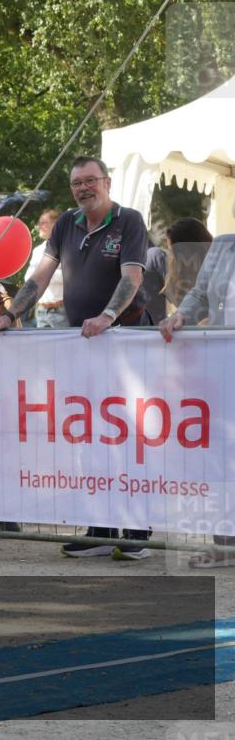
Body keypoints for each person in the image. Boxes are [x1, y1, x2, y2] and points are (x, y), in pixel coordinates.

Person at [0, 155, 151, 560]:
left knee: (129, 435)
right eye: (77, 183)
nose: (84, 189)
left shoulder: (128, 221)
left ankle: (137, 531)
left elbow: (132, 277)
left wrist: (108, 316)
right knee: (91, 436)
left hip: (126, 341)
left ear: (107, 182)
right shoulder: (65, 225)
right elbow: (40, 275)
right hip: (86, 346)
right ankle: (99, 527)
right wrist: (11, 314)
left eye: (91, 181)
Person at [159, 232, 234, 568]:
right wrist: (181, 315)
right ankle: (226, 545)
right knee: (224, 456)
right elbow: (201, 293)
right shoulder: (222, 244)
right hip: (223, 365)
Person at [143, 218, 213, 325]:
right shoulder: (167, 265)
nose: (172, 257)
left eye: (174, 251)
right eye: (170, 250)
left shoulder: (216, 269)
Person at [25, 209, 67, 328]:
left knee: (63, 346)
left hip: (62, 310)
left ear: (55, 225)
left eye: (44, 223)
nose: (39, 226)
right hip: (41, 310)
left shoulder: (67, 248)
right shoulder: (37, 250)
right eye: (39, 223)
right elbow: (28, 278)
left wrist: (43, 274)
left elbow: (72, 277)